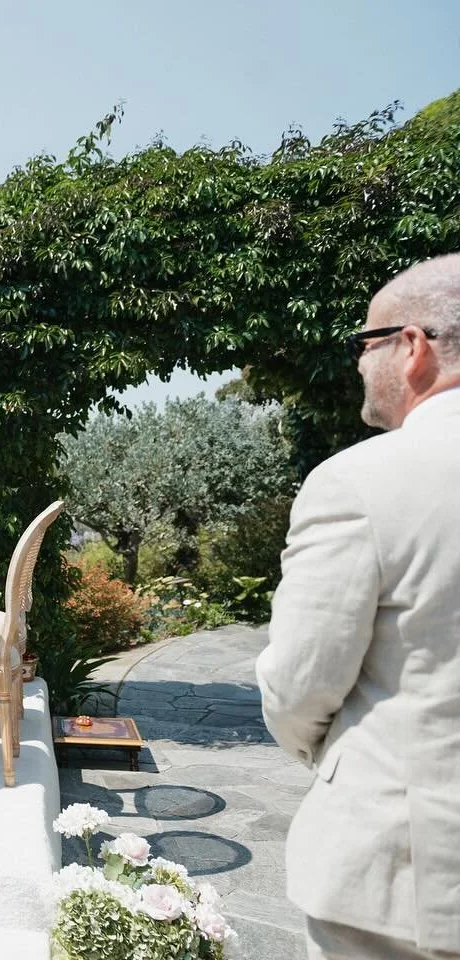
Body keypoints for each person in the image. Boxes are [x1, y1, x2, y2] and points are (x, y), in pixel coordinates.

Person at [256, 253, 460, 960]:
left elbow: (300, 681)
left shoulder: (362, 481)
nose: (356, 364)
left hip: (406, 880)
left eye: (363, 344)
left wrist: (337, 761)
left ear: (413, 347)